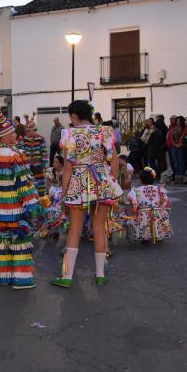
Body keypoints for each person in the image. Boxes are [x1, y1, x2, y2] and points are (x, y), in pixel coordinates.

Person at [51, 100, 122, 288]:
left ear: (74, 115)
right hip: (102, 180)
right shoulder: (105, 131)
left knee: (74, 229)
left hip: (79, 182)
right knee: (99, 228)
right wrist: (112, 182)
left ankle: (67, 277)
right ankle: (100, 275)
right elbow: (114, 161)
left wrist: (64, 194)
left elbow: (67, 167)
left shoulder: (70, 134)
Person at [0, 102, 43, 289]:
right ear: (5, 136)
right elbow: (24, 184)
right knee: (20, 241)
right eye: (13, 133)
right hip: (15, 208)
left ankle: (4, 276)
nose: (16, 136)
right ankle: (21, 278)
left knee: (3, 241)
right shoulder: (15, 155)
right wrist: (33, 206)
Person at [128, 167, 172, 244]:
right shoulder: (160, 189)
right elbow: (166, 202)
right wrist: (165, 209)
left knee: (138, 217)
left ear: (140, 180)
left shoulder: (135, 190)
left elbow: (133, 204)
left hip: (143, 214)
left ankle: (145, 237)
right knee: (161, 214)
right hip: (158, 213)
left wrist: (134, 211)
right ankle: (159, 234)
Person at [21, 113, 48, 195]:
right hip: (28, 165)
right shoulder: (24, 140)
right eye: (27, 130)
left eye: (30, 130)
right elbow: (22, 151)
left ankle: (41, 196)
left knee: (40, 182)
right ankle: (31, 196)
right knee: (28, 181)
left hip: (38, 165)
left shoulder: (40, 138)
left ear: (34, 129)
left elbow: (44, 152)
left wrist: (44, 164)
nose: (29, 132)